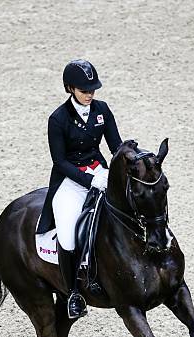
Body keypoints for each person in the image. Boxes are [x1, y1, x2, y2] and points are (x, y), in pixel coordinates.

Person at [36, 59, 123, 319]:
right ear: (70, 88)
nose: (90, 95)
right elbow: (59, 162)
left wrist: (127, 160)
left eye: (92, 90)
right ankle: (73, 292)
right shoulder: (58, 119)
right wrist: (88, 181)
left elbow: (115, 145)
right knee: (67, 234)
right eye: (84, 90)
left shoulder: (102, 110)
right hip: (71, 182)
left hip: (100, 173)